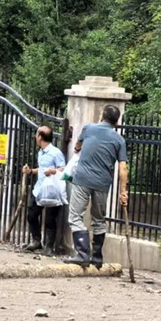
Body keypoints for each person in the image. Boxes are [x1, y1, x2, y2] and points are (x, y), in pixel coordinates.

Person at [63, 105, 129, 268]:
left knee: (75, 216)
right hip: (102, 183)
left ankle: (82, 253)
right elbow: (123, 168)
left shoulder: (89, 128)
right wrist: (123, 192)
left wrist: (78, 148)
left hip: (83, 179)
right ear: (116, 122)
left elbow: (78, 145)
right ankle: (97, 257)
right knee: (99, 219)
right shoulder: (119, 140)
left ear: (102, 116)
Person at [22, 126, 66, 254]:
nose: (35, 136)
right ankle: (36, 241)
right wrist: (30, 171)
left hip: (52, 190)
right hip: (39, 189)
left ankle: (49, 247)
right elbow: (42, 169)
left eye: (37, 134)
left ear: (40, 137)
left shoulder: (56, 152)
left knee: (50, 219)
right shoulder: (41, 152)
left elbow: (63, 169)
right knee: (31, 214)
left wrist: (53, 171)